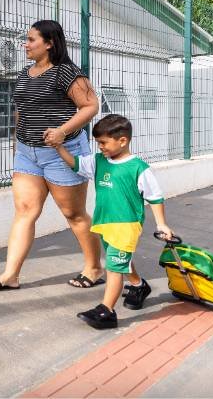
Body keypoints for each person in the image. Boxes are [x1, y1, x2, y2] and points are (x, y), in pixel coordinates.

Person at [0, 20, 101, 292]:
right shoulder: (25, 74)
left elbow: (90, 106)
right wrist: (17, 144)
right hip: (27, 153)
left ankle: (94, 267)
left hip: (63, 152)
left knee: (73, 213)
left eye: (31, 39)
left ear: (49, 43)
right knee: (24, 211)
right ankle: (10, 275)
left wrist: (61, 131)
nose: (25, 44)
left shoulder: (67, 73)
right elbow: (20, 109)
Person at [52, 114, 173, 329]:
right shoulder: (99, 162)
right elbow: (76, 163)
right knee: (120, 260)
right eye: (98, 143)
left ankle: (106, 311)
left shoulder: (138, 167)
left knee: (114, 267)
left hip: (125, 226)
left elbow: (155, 197)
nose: (100, 147)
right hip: (104, 223)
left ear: (123, 140)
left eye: (103, 143)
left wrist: (161, 223)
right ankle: (138, 285)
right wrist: (59, 147)